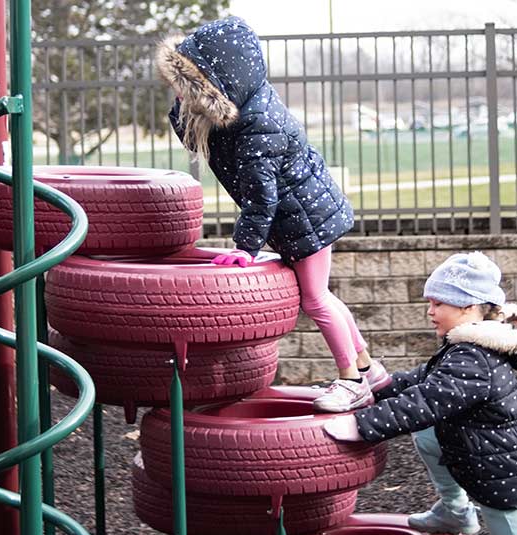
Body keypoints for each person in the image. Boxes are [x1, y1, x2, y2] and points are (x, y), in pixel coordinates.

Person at [155, 16, 386, 409]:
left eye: (188, 86)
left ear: (218, 83)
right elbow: (203, 135)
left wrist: (245, 247)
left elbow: (262, 197)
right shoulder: (243, 109)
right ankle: (369, 368)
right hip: (303, 215)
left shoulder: (257, 124)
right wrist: (183, 109)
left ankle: (352, 379)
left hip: (305, 218)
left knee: (314, 300)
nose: (181, 93)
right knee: (322, 295)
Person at [324, 252, 517, 535]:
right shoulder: (473, 343)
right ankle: (455, 511)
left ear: (467, 306)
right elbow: (424, 381)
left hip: (500, 470)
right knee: (429, 432)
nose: (429, 311)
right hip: (487, 451)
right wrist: (379, 384)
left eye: (437, 303)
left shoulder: (474, 358)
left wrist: (361, 424)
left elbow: (425, 402)